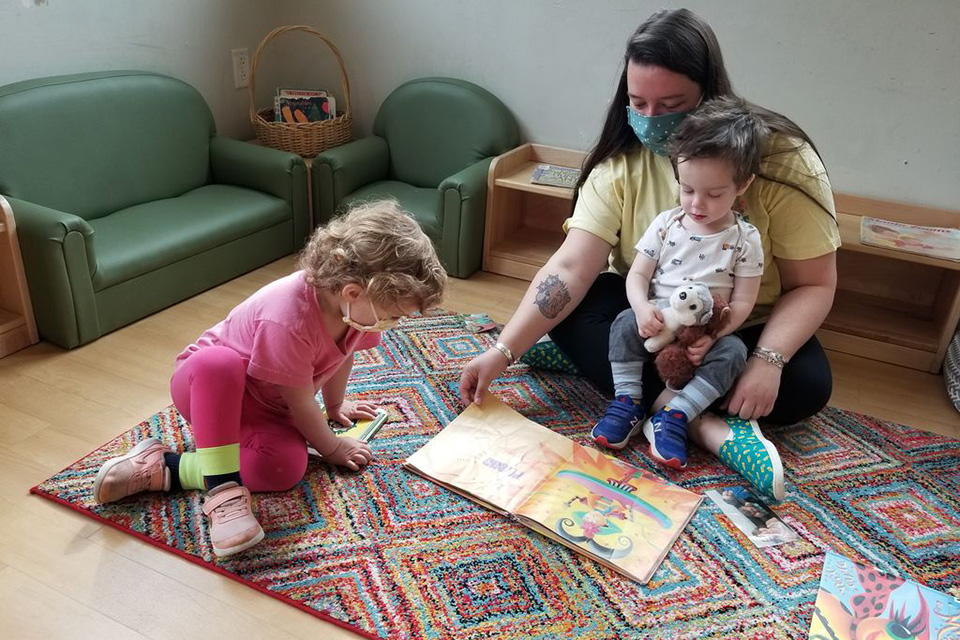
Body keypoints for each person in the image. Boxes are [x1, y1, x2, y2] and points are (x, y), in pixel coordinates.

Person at [459, 8, 839, 501]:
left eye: (672, 103)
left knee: (806, 385)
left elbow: (814, 283)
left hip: (739, 325)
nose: (653, 120)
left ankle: (627, 385)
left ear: (710, 93)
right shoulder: (620, 166)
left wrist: (768, 359)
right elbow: (571, 267)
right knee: (579, 310)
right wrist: (502, 350)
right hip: (652, 321)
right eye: (638, 103)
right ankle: (698, 424)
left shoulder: (783, 160)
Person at [92, 200, 447, 557]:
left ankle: (166, 467)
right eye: (393, 315)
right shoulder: (287, 316)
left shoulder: (357, 313)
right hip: (207, 391)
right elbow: (300, 400)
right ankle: (222, 490)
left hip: (266, 408)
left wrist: (336, 405)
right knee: (219, 362)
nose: (393, 323)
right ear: (354, 292)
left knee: (285, 467)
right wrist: (332, 446)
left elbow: (343, 356)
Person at [592, 98, 765, 472]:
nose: (697, 204)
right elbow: (637, 274)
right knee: (622, 322)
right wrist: (641, 308)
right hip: (658, 321)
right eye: (687, 189)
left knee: (735, 352)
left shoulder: (744, 238)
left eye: (714, 194)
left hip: (702, 334)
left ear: (743, 184)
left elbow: (745, 301)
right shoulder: (667, 223)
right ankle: (627, 402)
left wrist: (714, 336)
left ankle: (675, 415)